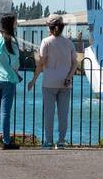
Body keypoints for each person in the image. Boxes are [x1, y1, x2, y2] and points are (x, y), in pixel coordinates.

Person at [29, 14, 76, 149]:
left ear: (49, 27)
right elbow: (75, 64)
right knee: (63, 114)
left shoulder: (46, 42)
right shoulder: (69, 43)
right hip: (65, 83)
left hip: (49, 82)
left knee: (49, 113)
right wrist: (69, 77)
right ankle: (61, 141)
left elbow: (41, 63)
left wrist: (33, 80)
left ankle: (48, 141)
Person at [0, 14, 21, 151]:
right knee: (5, 112)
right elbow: (15, 61)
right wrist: (15, 71)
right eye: (15, 21)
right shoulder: (11, 40)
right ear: (11, 24)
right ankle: (6, 141)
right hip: (8, 79)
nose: (16, 23)